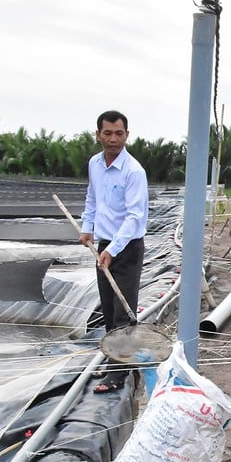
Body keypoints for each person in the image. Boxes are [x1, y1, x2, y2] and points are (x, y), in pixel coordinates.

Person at [79, 109, 149, 394]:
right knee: (108, 308)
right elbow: (92, 198)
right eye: (107, 133)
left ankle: (118, 373)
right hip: (104, 245)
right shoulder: (95, 164)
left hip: (127, 247)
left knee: (123, 311)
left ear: (127, 135)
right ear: (98, 135)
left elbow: (134, 217)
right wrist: (87, 228)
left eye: (119, 133)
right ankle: (113, 360)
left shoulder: (134, 171)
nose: (113, 139)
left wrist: (113, 249)